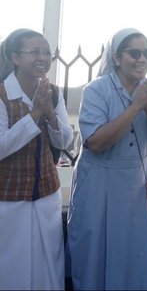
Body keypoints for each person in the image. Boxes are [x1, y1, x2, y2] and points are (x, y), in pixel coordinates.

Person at [67, 28, 147, 290]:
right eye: (134, 53)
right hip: (99, 183)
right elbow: (97, 143)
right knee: (95, 255)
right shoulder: (96, 90)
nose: (142, 59)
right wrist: (135, 106)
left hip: (135, 185)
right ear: (116, 58)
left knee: (134, 254)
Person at [0, 28, 73, 290]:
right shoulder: (2, 94)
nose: (43, 57)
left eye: (47, 53)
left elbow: (66, 142)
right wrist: (34, 116)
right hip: (8, 196)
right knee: (11, 262)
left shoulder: (51, 93)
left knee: (48, 263)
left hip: (46, 192)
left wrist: (50, 114)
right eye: (35, 52)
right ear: (15, 58)